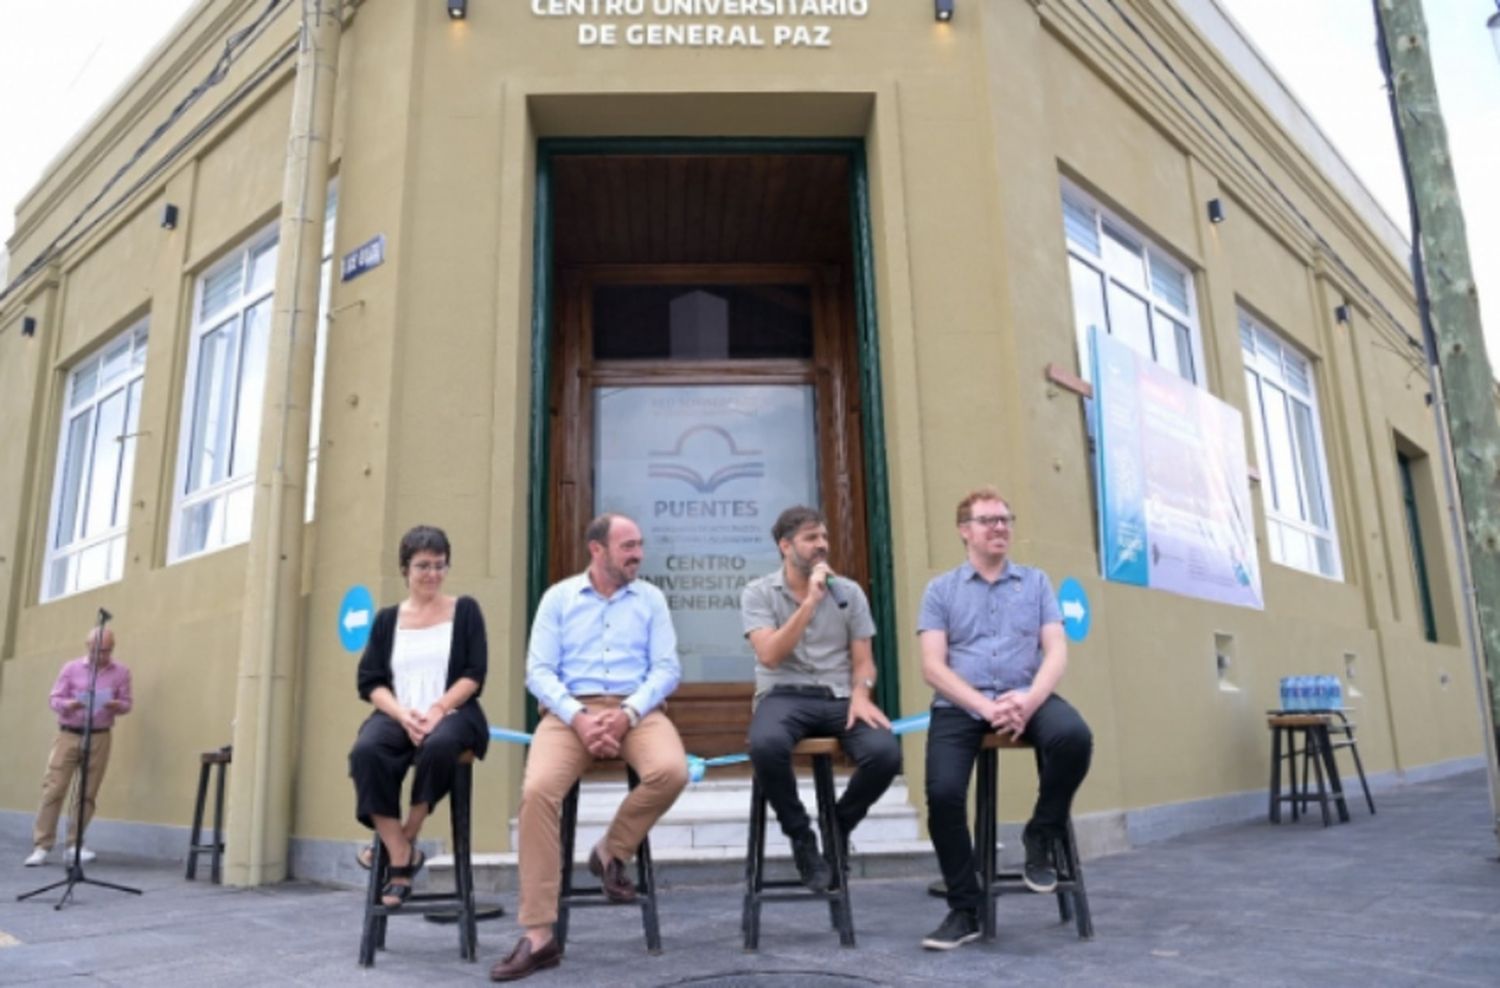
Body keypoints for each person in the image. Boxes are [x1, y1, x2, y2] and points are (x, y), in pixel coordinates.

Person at [490, 512, 687, 982]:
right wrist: (578, 717)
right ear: (597, 550)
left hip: (636, 709)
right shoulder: (558, 598)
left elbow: (666, 669)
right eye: (628, 546)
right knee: (538, 791)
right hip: (567, 712)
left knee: (671, 771)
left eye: (639, 545)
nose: (638, 554)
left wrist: (627, 715)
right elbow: (538, 672)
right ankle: (539, 936)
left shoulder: (651, 599)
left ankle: (610, 849)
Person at [917, 487, 1093, 950]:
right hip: (962, 704)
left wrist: (1030, 701)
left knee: (1074, 738)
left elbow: (1055, 650)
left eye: (1005, 519)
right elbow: (933, 667)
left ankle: (1042, 830)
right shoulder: (940, 590)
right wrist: (985, 707)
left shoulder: (1035, 583)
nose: (1000, 527)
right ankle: (965, 908)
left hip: (1026, 695)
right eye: (988, 520)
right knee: (943, 794)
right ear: (965, 531)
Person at [741, 505, 901, 891]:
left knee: (886, 754)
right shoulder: (758, 593)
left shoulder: (849, 593)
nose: (822, 545)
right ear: (785, 545)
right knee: (765, 745)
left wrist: (862, 694)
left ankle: (837, 825)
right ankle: (801, 837)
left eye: (824, 537)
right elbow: (770, 655)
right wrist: (810, 603)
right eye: (811, 538)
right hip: (783, 694)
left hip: (839, 695)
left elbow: (864, 662)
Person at [348, 525, 489, 908]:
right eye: (423, 565)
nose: (432, 574)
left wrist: (438, 709)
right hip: (400, 712)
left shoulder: (465, 610)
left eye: (440, 565)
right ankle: (399, 852)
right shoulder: (387, 619)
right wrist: (402, 714)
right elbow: (371, 681)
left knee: (441, 743)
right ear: (405, 569)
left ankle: (409, 832)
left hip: (453, 712)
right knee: (366, 750)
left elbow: (474, 674)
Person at [24, 627, 133, 866]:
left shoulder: (121, 672)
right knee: (54, 788)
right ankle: (42, 845)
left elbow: (127, 704)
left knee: (88, 793)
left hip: (100, 736)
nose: (102, 655)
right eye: (98, 650)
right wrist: (69, 704)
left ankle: (74, 844)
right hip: (69, 734)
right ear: (88, 647)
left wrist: (116, 704)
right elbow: (54, 698)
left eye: (107, 650)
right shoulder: (71, 668)